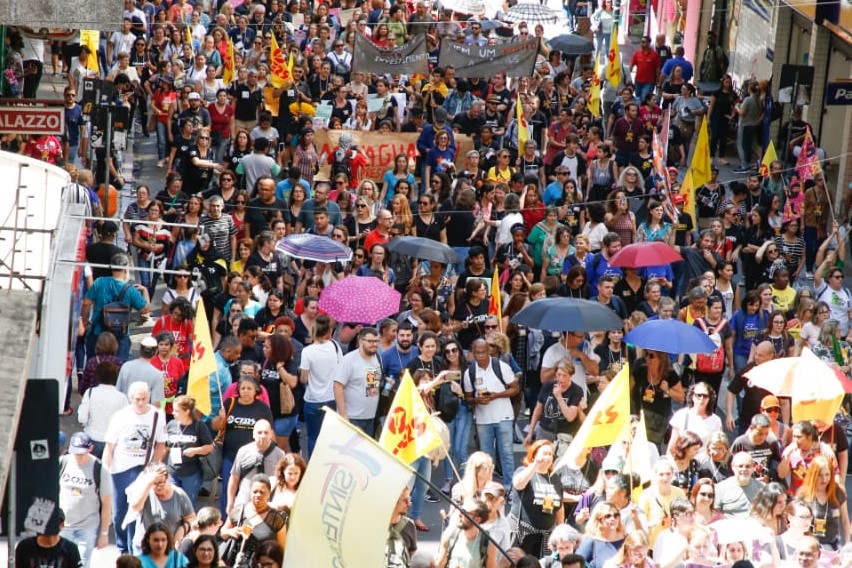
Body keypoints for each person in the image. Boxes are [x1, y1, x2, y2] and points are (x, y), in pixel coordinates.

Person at [103, 382, 167, 554]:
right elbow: (109, 447)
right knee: (119, 513)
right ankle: (122, 549)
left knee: (137, 512)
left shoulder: (157, 415)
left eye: (144, 399)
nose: (140, 402)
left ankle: (134, 551)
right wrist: (105, 473)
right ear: (130, 399)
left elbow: (161, 444)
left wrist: (152, 467)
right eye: (137, 399)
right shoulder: (120, 416)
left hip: (143, 469)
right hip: (120, 469)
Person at [462, 338, 519, 489]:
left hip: (504, 416)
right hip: (483, 419)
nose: (480, 355)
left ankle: (509, 488)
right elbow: (467, 397)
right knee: (486, 458)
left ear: (489, 351)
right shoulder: (470, 373)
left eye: (483, 352)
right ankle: (487, 487)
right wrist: (477, 400)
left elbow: (515, 389)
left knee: (506, 454)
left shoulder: (502, 367)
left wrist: (496, 395)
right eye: (477, 352)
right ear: (472, 353)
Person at [81, 253, 151, 359]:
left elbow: (86, 303)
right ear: (126, 269)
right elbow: (145, 309)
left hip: (98, 332)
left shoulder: (99, 282)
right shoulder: (131, 290)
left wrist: (85, 320)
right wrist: (145, 291)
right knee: (119, 368)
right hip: (120, 336)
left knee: (94, 366)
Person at [59, 432, 112, 568]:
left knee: (81, 563)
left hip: (87, 526)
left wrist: (104, 533)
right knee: (61, 562)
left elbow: (107, 502)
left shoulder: (100, 469)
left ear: (90, 448)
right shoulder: (62, 462)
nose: (78, 457)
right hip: (64, 525)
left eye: (81, 453)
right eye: (75, 453)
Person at [509, 440, 565, 557]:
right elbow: (518, 484)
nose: (548, 457)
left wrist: (560, 528)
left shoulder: (554, 478)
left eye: (550, 454)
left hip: (545, 536)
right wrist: (535, 465)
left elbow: (559, 505)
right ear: (534, 455)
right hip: (523, 533)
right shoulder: (523, 471)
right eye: (544, 453)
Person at [220, 474, 287, 566]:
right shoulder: (239, 511)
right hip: (236, 562)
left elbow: (281, 550)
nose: (258, 495)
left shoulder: (276, 519)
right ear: (250, 492)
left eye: (262, 492)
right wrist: (231, 531)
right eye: (255, 492)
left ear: (269, 493)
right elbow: (222, 532)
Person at [225, 419, 286, 516]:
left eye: (266, 433)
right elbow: (234, 478)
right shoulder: (243, 451)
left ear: (271, 434)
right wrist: (230, 502)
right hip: (244, 503)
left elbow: (283, 482)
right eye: (259, 432)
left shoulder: (280, 454)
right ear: (253, 434)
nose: (262, 436)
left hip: (268, 505)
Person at [165, 395, 214, 509]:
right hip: (172, 471)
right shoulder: (171, 424)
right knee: (171, 504)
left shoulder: (198, 425)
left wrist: (195, 450)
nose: (173, 413)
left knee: (188, 506)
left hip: (191, 473)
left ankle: (188, 526)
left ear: (187, 411)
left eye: (176, 410)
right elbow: (166, 447)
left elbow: (210, 447)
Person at [128, 462, 196, 545]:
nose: (158, 486)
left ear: (167, 479)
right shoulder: (145, 492)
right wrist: (148, 484)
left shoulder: (179, 494)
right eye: (154, 483)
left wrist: (182, 529)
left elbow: (191, 518)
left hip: (169, 546)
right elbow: (135, 507)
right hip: (146, 546)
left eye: (161, 482)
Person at [333, 326, 384, 435]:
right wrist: (343, 414)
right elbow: (337, 386)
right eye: (370, 341)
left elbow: (371, 385)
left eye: (376, 341)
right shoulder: (348, 360)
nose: (374, 344)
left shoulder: (376, 358)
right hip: (352, 417)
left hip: (370, 417)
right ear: (360, 341)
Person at [795, 455, 849, 550]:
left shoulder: (838, 491)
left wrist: (848, 543)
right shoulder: (803, 493)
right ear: (813, 475)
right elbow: (796, 522)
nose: (824, 479)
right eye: (820, 475)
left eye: (827, 475)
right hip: (810, 544)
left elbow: (845, 520)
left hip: (833, 543)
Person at [525, 359, 585, 445]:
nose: (561, 379)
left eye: (565, 375)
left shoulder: (576, 390)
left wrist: (559, 397)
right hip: (544, 431)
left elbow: (570, 417)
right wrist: (530, 432)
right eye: (559, 375)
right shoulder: (547, 386)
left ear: (571, 376)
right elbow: (538, 409)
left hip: (564, 433)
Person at [78, 359, 129, 458]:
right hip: (113, 441)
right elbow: (126, 422)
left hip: (92, 437)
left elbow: (82, 418)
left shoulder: (90, 392)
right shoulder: (122, 397)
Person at [434, 497, 499, 568]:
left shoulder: (488, 542)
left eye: (464, 512)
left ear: (477, 519)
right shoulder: (451, 532)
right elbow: (440, 564)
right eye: (460, 510)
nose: (459, 514)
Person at [15, 508, 82, 568]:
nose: (49, 526)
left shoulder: (70, 549)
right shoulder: (24, 547)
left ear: (61, 525)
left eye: (53, 522)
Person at [714, 451, 766, 518]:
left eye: (748, 466)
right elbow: (716, 513)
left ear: (753, 468)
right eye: (740, 466)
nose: (744, 469)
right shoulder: (721, 488)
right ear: (733, 467)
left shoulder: (762, 488)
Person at [576, 501, 627, 568]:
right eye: (608, 516)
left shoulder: (627, 540)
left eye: (616, 515)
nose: (612, 519)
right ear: (599, 519)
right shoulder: (591, 541)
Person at [731, 414, 780, 483]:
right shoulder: (740, 443)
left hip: (764, 485)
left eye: (766, 434)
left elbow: (776, 464)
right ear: (751, 428)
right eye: (759, 433)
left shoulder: (771, 442)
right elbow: (731, 466)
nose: (763, 437)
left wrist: (769, 477)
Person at [386, 487, 418, 568]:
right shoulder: (377, 526)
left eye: (409, 499)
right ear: (393, 501)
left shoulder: (409, 525)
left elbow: (413, 557)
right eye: (405, 500)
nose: (409, 503)